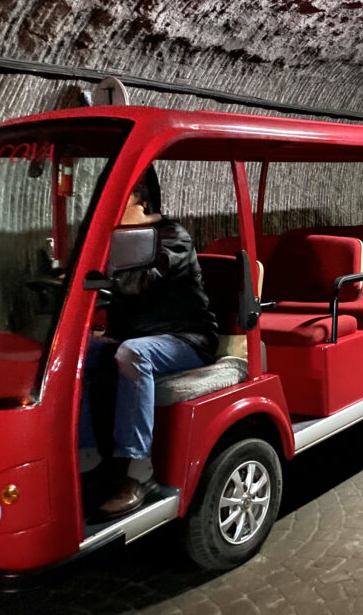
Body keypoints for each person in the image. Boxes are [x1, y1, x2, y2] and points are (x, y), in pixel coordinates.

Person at [82, 180, 219, 517]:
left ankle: (137, 470)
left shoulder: (173, 237)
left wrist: (99, 277)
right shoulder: (114, 239)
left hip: (186, 338)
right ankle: (104, 460)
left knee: (134, 354)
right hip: (135, 335)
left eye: (120, 197)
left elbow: (142, 279)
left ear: (140, 201)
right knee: (81, 353)